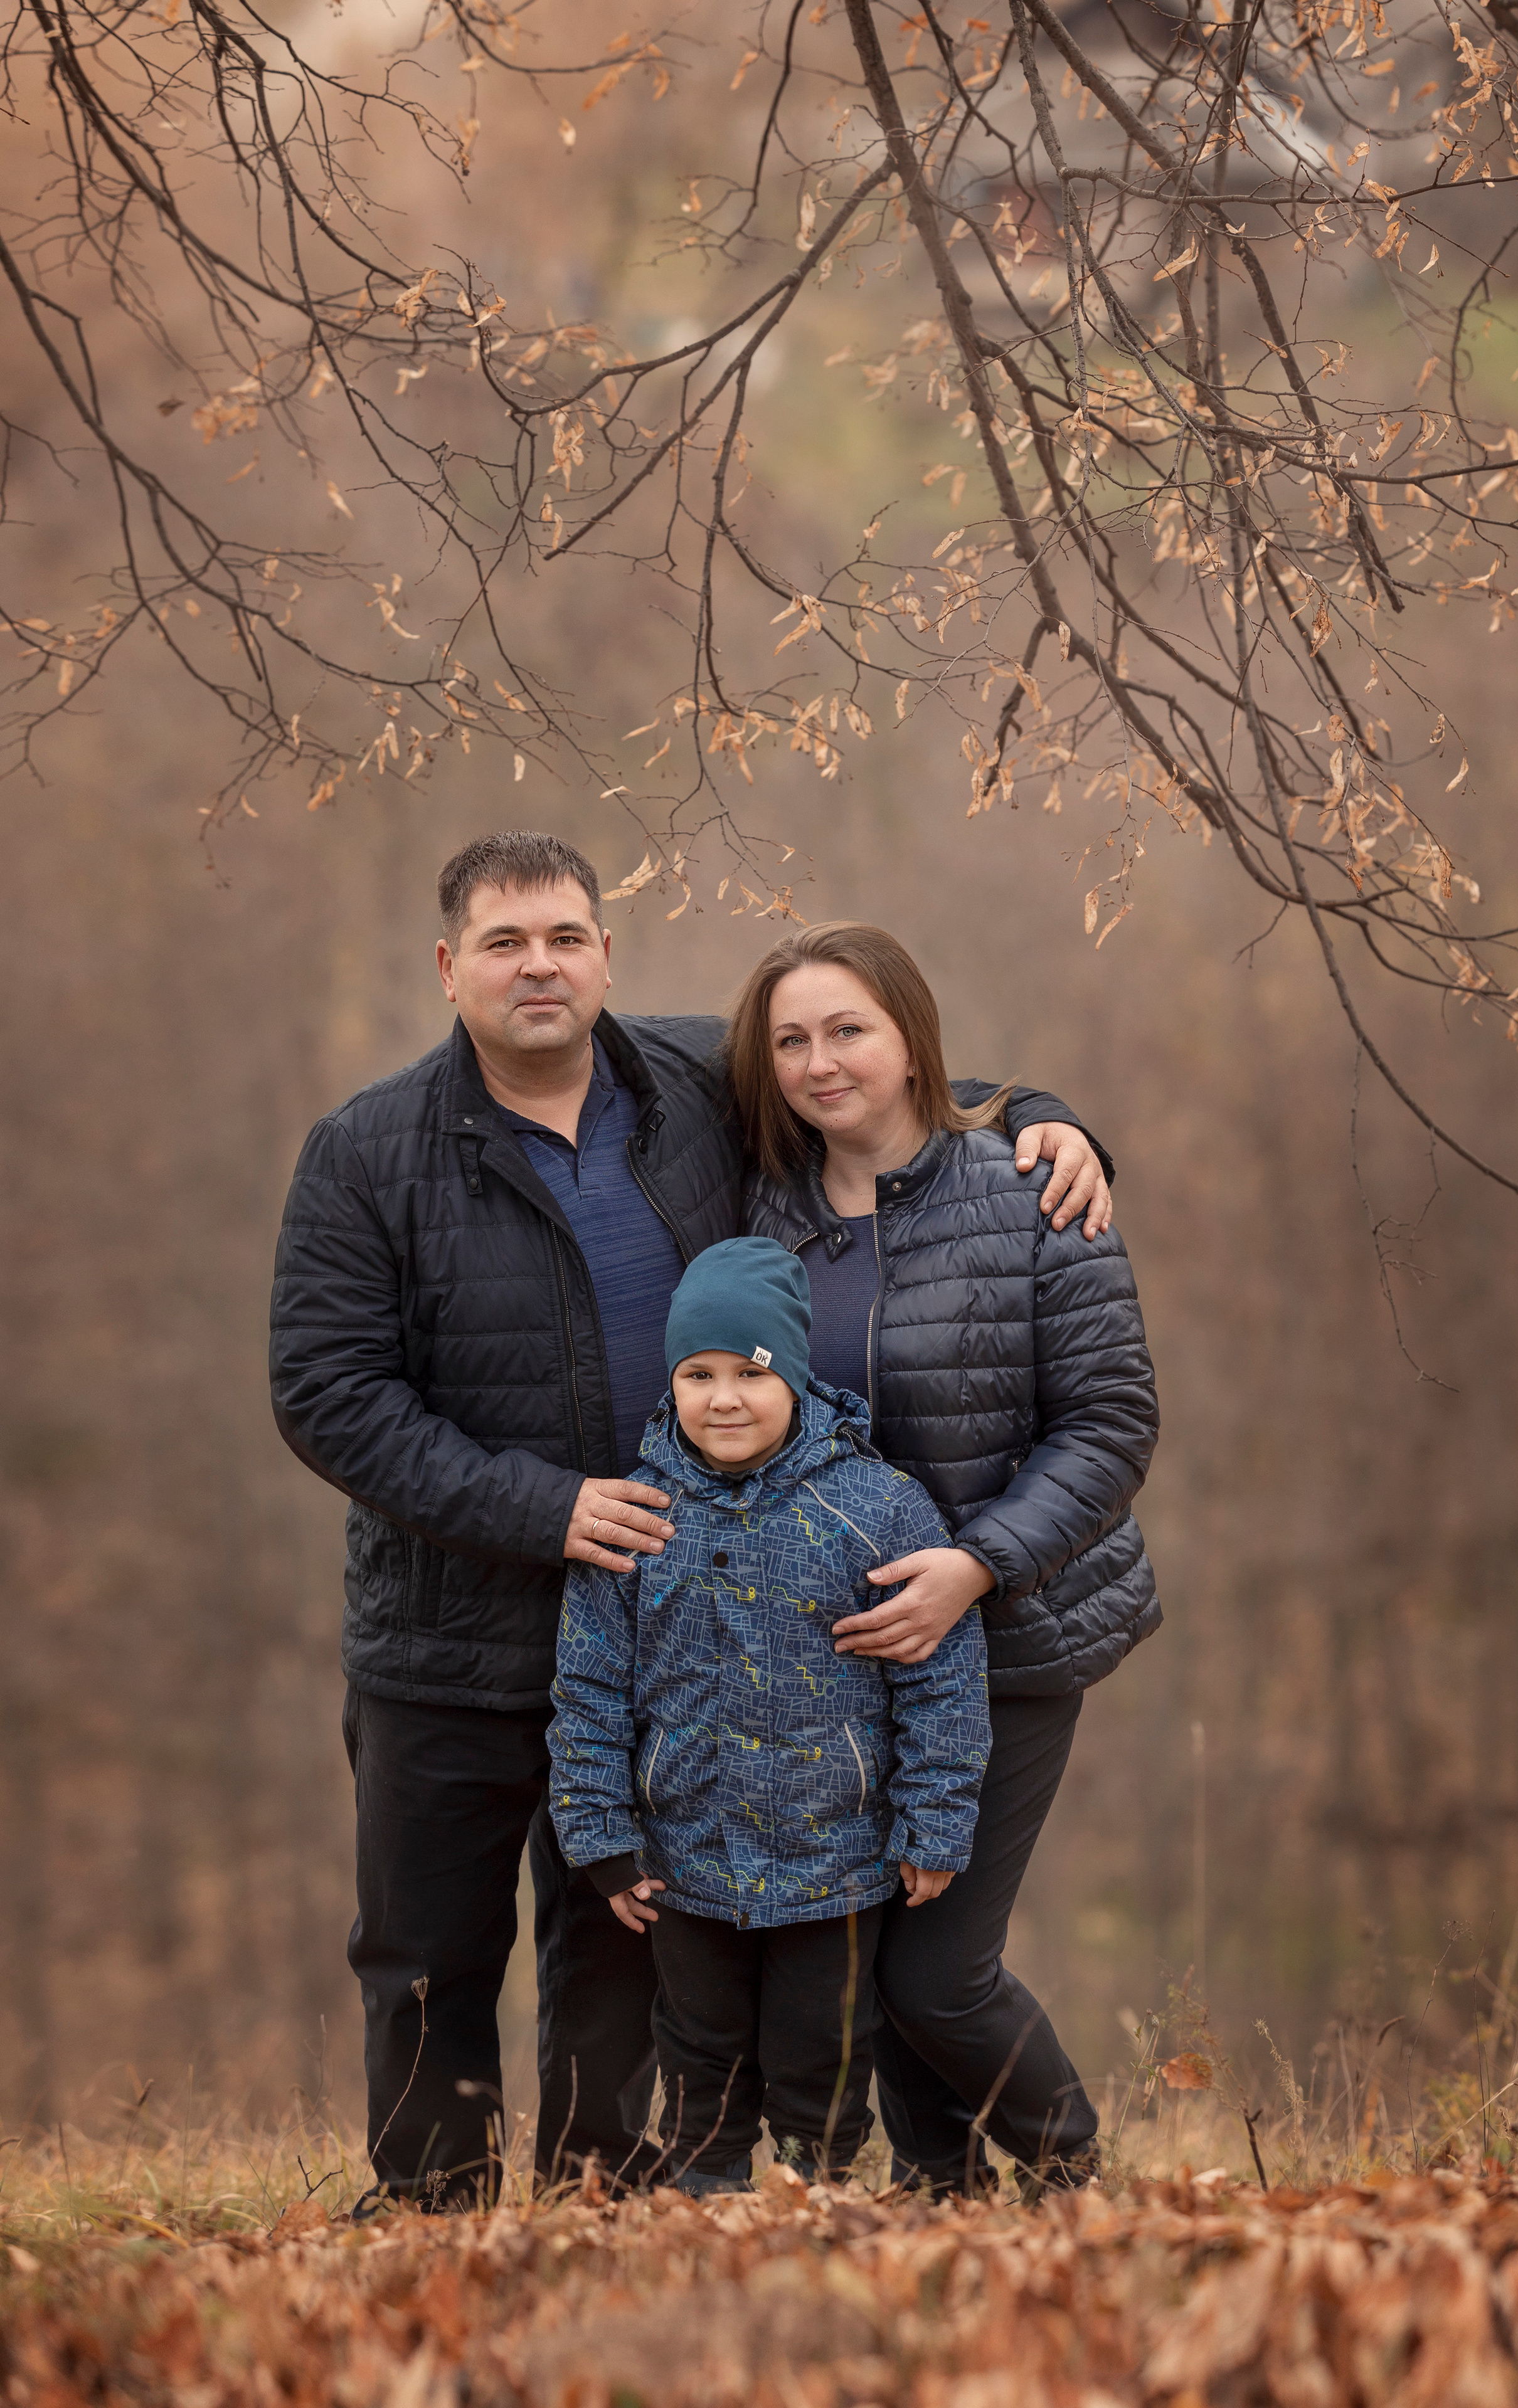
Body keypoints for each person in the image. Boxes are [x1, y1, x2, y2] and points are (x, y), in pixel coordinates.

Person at [268, 828, 1112, 2205]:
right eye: (502, 942)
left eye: (562, 938)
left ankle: (600, 2194)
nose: (536, 966)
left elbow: (877, 1084)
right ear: (447, 968)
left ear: (604, 954)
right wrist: (542, 1511)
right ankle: (432, 2208)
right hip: (453, 1635)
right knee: (427, 1947)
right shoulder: (366, 1153)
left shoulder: (690, 1090)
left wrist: (1044, 1112)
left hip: (682, 1625)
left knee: (623, 1937)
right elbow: (325, 1394)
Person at [733, 921, 1160, 2199]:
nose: (819, 1061)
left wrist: (973, 1568)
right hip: (846, 1652)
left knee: (938, 1969)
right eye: (792, 1038)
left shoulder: (1032, 1191)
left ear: (912, 1041)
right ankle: (944, 2197)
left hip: (1015, 1633)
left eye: (847, 1029)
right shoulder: (763, 1214)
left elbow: (1110, 1424)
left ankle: (1076, 2178)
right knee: (876, 1949)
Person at [548, 1239, 989, 2194]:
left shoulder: (877, 1508)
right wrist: (599, 1838)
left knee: (821, 2051)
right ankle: (707, 2199)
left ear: (793, 1375)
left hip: (838, 1863)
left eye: (750, 1372)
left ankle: (812, 2195)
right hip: (685, 1861)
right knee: (698, 2050)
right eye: (698, 1374)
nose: (724, 1399)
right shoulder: (639, 1515)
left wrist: (936, 1823)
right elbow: (587, 1693)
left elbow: (943, 1683)